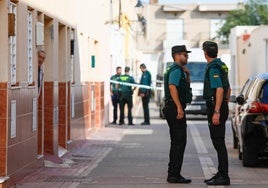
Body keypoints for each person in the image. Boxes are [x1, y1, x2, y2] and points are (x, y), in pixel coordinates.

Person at [162, 45, 192, 184]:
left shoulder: (178, 70)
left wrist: (188, 75)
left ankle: (173, 173)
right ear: (177, 55)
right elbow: (172, 86)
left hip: (173, 107)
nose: (187, 57)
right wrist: (179, 107)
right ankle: (173, 175)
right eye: (185, 55)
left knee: (177, 142)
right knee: (179, 142)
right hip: (174, 109)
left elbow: (182, 87)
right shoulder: (175, 70)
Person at [202, 41, 231, 186]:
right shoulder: (222, 65)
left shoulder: (213, 67)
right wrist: (224, 104)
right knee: (219, 141)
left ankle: (224, 176)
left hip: (215, 107)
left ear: (205, 52)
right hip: (221, 105)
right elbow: (228, 88)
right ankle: (221, 172)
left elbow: (219, 89)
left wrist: (217, 111)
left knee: (218, 142)